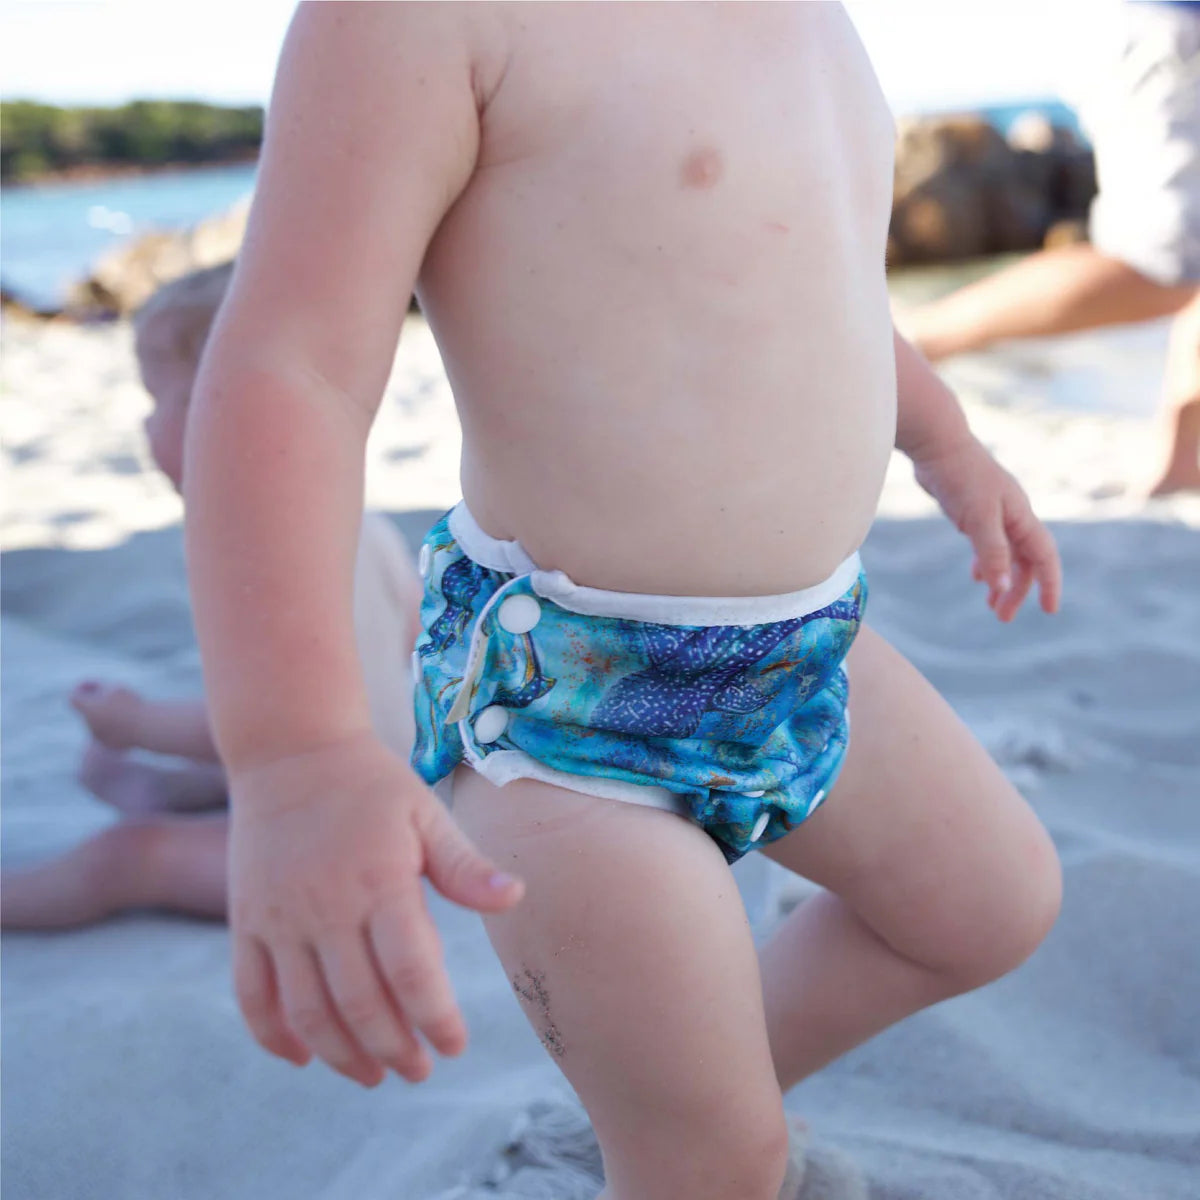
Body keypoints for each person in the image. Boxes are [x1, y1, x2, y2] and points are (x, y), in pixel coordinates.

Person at [183, 7, 1064, 1199]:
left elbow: (818, 267)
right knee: (716, 1164)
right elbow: (292, 364)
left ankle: (679, 1107)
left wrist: (947, 446)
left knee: (987, 908)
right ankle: (693, 1139)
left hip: (802, 651)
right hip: (563, 704)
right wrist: (296, 756)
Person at [0, 263, 423, 930]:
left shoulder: (248, 551)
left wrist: (133, 722)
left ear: (227, 411)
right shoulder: (363, 523)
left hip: (327, 842)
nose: (146, 427)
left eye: (157, 400)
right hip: (398, 800)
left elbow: (264, 726)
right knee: (252, 774)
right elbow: (411, 643)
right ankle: (170, 791)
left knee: (129, 856)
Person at [905, 1, 1200, 495]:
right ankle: (913, 340)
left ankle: (1182, 463)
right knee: (1162, 265)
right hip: (1171, 28)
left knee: (1177, 261)